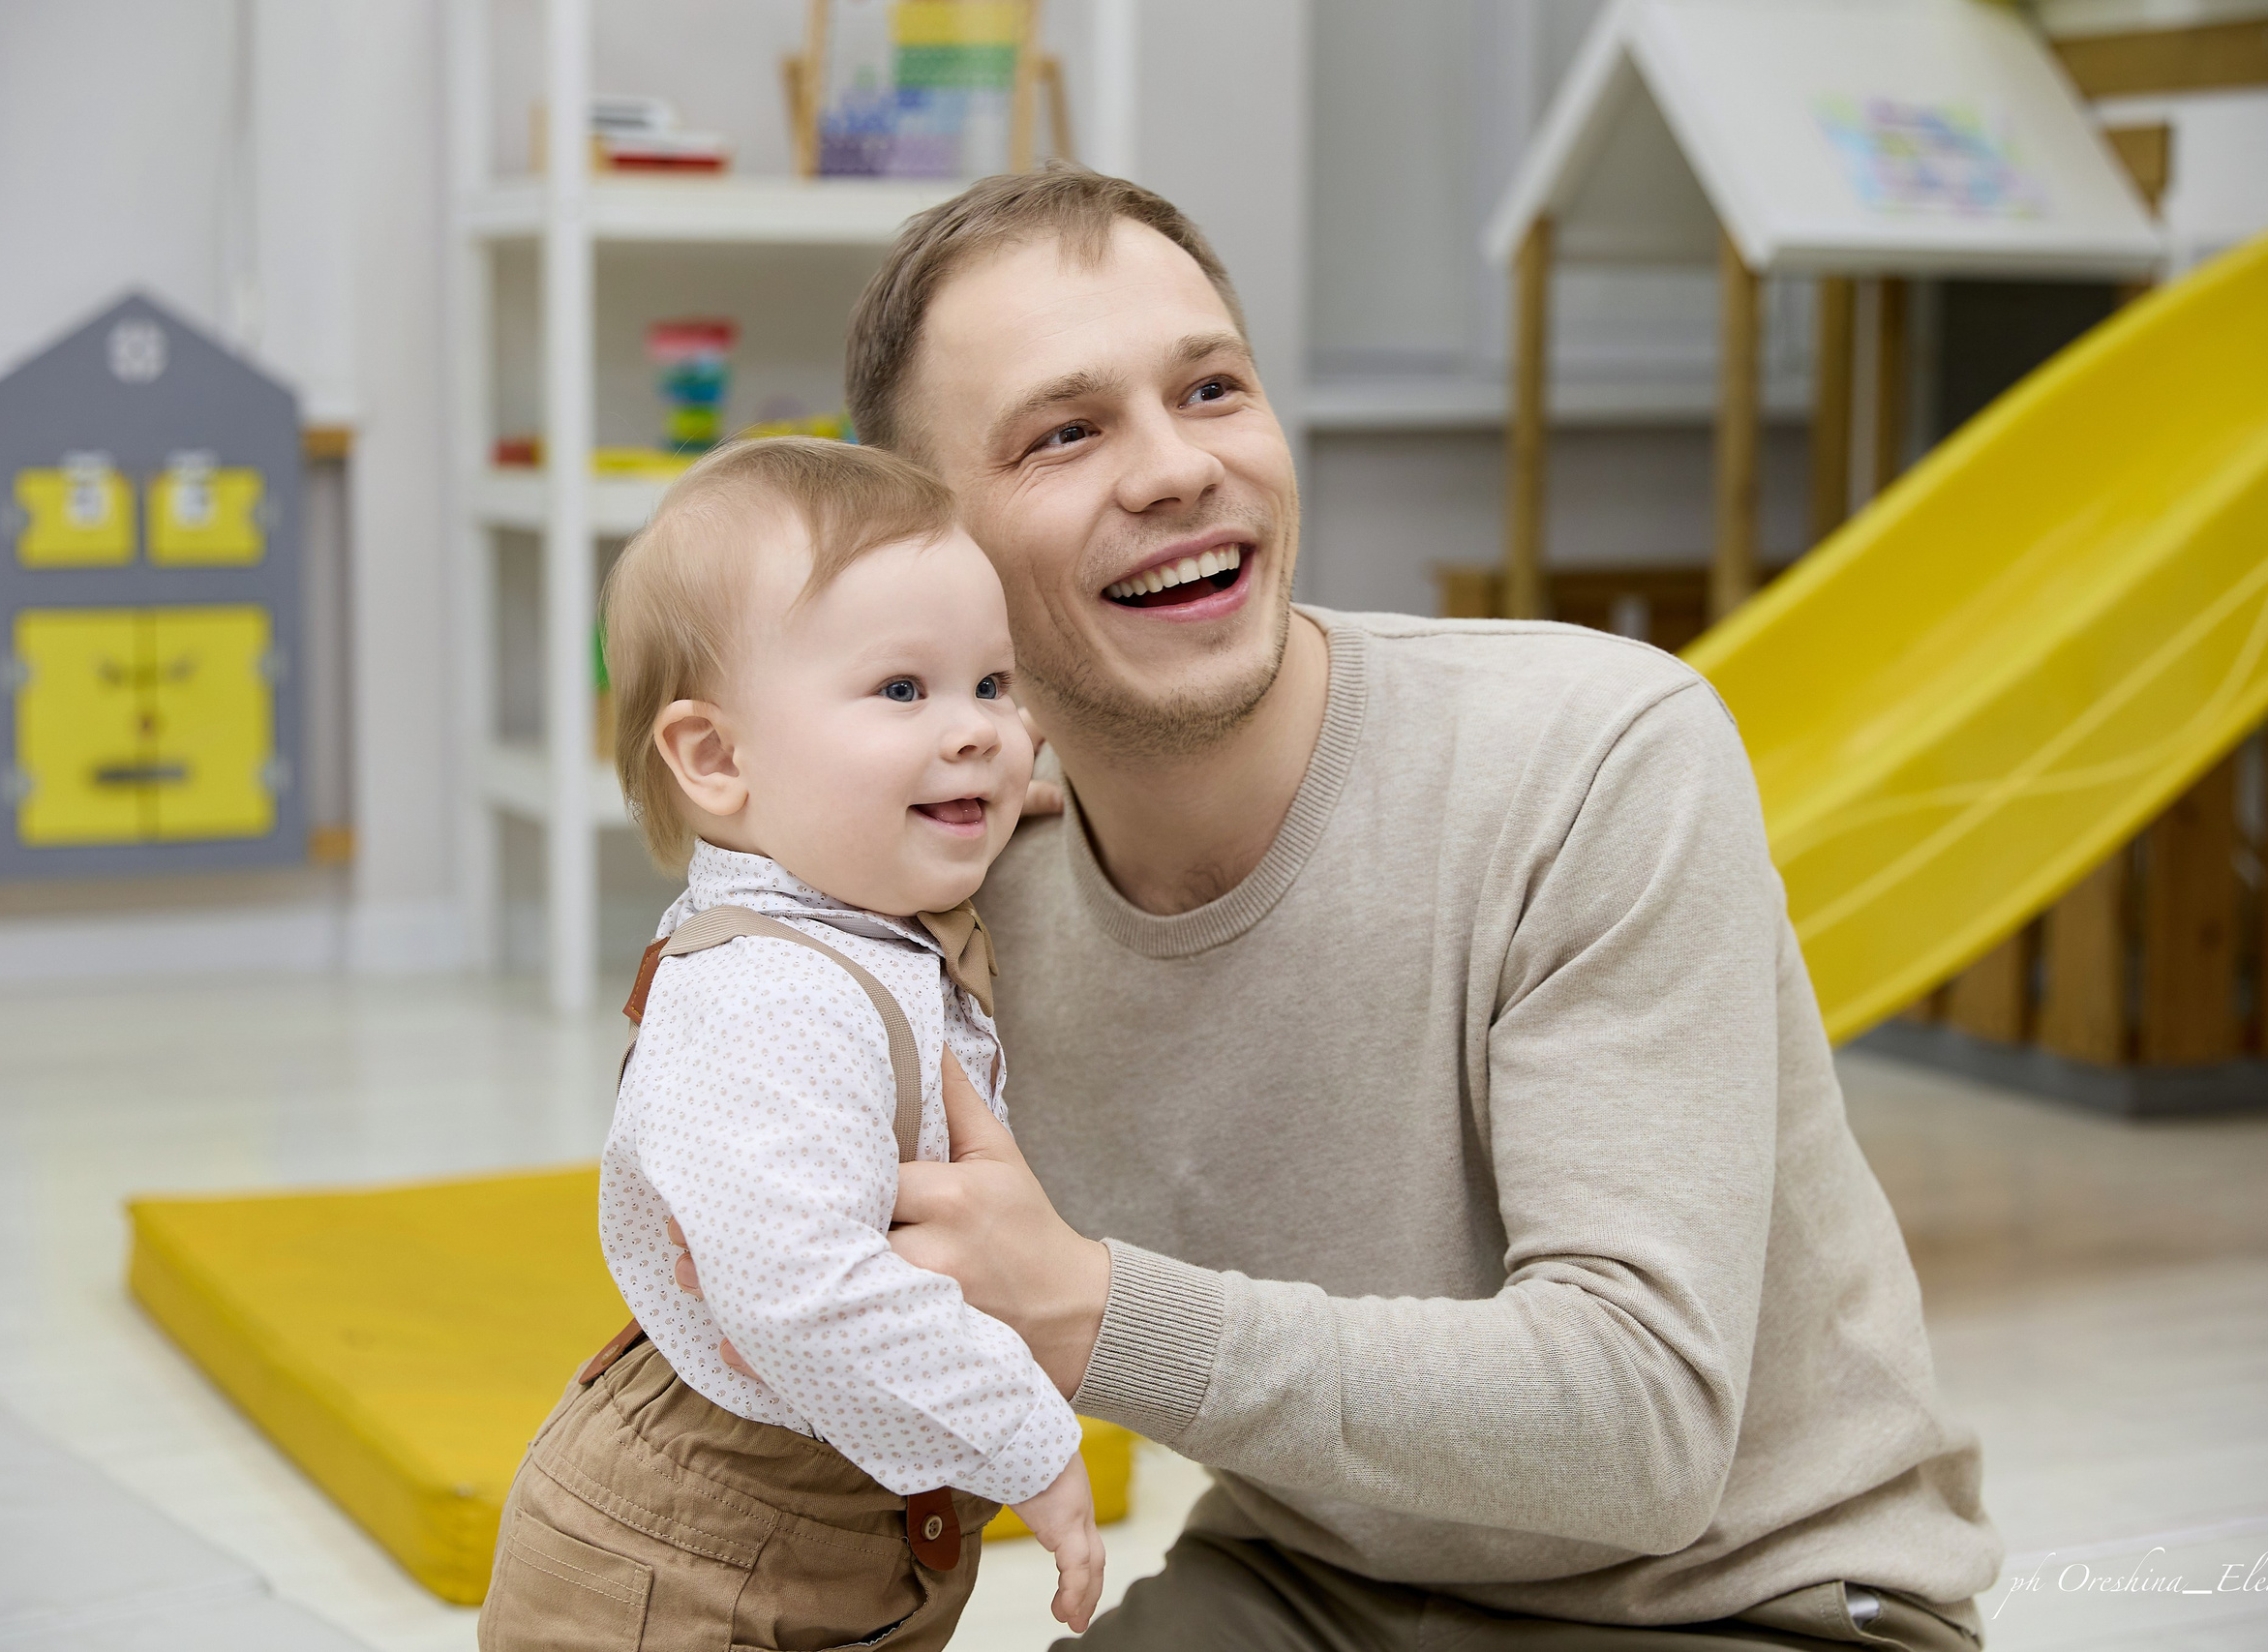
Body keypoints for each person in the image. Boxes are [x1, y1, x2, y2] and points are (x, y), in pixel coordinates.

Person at [668, 167, 2006, 1649]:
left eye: (1215, 388)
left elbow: (1645, 1426)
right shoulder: (960, 882)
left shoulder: (1595, 751)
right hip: (1314, 1578)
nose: (1177, 468)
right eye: (1067, 430)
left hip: (1750, 1597)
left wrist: (1100, 1310)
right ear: (931, 544)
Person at [480, 437, 1104, 1652]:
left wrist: (1004, 772)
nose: (977, 731)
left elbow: (963, 769)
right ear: (716, 759)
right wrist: (1025, 1438)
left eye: (992, 685)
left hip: (831, 1520)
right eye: (902, 691)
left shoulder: (841, 885)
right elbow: (797, 1289)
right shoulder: (770, 994)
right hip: (694, 1550)